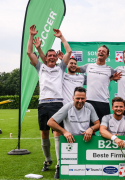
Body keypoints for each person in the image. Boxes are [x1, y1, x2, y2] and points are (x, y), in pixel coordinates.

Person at [27, 24, 72, 177]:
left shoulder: (60, 69)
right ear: (46, 58)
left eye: (54, 55)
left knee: (57, 134)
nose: (52, 57)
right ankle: (48, 160)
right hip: (43, 104)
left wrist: (61, 37)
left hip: (57, 104)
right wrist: (32, 36)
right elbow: (29, 52)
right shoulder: (40, 67)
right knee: (44, 135)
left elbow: (69, 51)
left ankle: (59, 164)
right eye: (49, 55)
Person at [76, 45, 121, 122]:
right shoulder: (88, 66)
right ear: (96, 53)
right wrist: (65, 61)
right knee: (88, 127)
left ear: (107, 55)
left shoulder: (110, 69)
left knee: (104, 128)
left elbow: (117, 78)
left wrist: (113, 78)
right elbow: (73, 68)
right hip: (89, 101)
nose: (101, 52)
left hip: (103, 102)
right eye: (99, 51)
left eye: (103, 51)